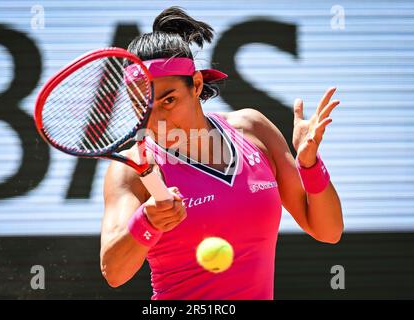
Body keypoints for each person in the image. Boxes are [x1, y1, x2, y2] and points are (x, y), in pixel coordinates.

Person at [100, 6, 343, 300]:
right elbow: (113, 272)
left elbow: (328, 230)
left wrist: (310, 165)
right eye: (142, 107)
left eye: (168, 100)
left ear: (197, 85)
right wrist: (147, 222)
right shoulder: (131, 169)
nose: (155, 121)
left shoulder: (254, 129)